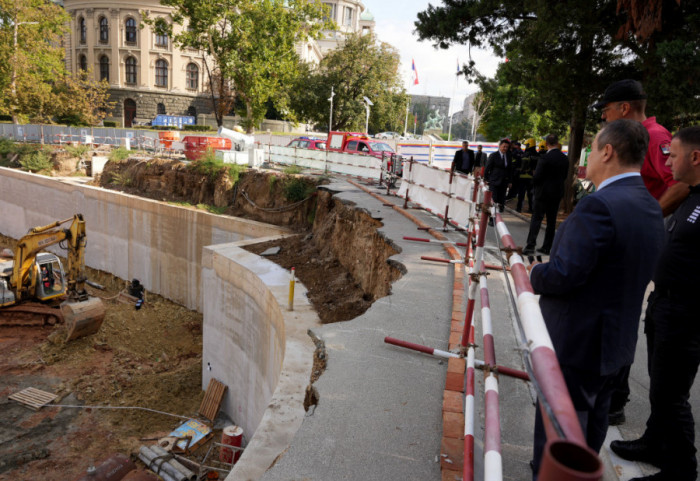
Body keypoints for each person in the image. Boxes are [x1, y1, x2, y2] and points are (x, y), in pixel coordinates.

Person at [528, 119, 665, 480]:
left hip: (578, 341)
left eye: (591, 150)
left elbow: (563, 274)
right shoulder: (651, 205)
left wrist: (533, 274)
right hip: (616, 343)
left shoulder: (599, 206)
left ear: (608, 151)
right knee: (591, 429)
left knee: (560, 430)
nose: (584, 159)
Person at [593, 78, 690, 424]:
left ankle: (615, 399)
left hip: (639, 241)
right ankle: (613, 396)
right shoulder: (641, 137)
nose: (605, 120)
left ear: (624, 108)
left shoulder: (656, 137)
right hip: (631, 236)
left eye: (606, 111)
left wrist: (648, 219)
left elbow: (678, 183)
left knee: (621, 315)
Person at [610, 126, 700, 481]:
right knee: (659, 384)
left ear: (695, 157)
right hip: (665, 303)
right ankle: (655, 441)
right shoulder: (691, 196)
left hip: (687, 310)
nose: (668, 161)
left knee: (671, 393)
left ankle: (681, 469)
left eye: (673, 155)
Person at [522, 134, 569, 255]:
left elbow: (537, 176)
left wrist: (534, 182)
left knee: (537, 219)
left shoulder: (544, 158)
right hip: (556, 193)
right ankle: (547, 247)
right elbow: (564, 176)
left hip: (542, 193)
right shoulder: (564, 158)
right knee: (551, 221)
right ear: (557, 143)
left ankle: (530, 245)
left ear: (547, 144)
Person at [484, 138, 512, 212]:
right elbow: (487, 168)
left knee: (501, 200)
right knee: (494, 199)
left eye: (507, 147)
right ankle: (491, 217)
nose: (505, 148)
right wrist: (486, 179)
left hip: (504, 182)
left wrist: (510, 181)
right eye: (504, 146)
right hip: (494, 181)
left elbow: (510, 169)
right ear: (500, 146)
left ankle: (498, 216)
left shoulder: (509, 156)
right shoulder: (493, 155)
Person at [517, 138, 538, 213]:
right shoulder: (537, 155)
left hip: (523, 177)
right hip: (532, 178)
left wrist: (519, 170)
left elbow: (522, 166)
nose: (525, 146)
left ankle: (519, 208)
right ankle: (531, 209)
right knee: (531, 195)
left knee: (521, 194)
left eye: (526, 145)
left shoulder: (525, 154)